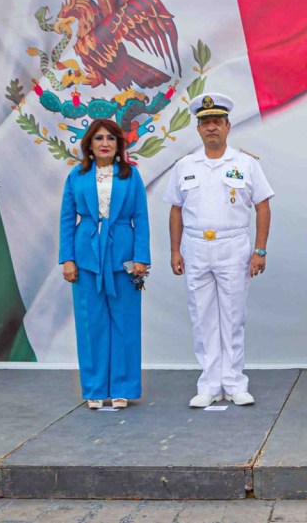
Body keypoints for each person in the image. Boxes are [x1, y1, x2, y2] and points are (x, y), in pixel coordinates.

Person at [164, 93, 273, 408]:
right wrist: (175, 251)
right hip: (196, 247)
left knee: (233, 316)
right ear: (198, 129)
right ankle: (210, 383)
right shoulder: (185, 165)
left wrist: (260, 250)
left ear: (228, 126)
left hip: (233, 246)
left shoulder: (245, 163)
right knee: (203, 318)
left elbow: (263, 207)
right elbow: (175, 210)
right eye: (205, 123)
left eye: (217, 122)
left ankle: (235, 382)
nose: (211, 128)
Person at [58, 119, 150, 410]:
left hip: (123, 258)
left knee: (125, 323)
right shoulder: (76, 176)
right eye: (99, 138)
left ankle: (122, 387)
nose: (105, 143)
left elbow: (141, 218)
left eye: (111, 138)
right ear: (89, 144)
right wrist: (68, 259)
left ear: (119, 144)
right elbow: (66, 219)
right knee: (91, 325)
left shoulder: (131, 175)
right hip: (86, 258)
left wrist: (141, 258)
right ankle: (95, 389)